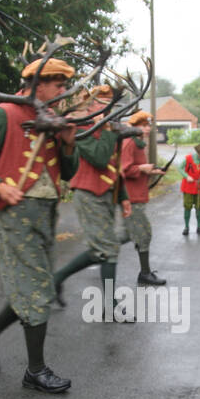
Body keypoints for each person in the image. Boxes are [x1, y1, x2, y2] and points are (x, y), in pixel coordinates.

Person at [0, 57, 80, 392]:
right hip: (15, 214)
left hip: (46, 213)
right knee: (37, 289)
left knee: (32, 287)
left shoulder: (52, 119)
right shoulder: (4, 114)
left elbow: (68, 173)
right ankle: (36, 370)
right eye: (58, 85)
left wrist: (69, 143)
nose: (63, 92)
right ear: (38, 84)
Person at [51, 85, 129, 309]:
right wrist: (108, 130)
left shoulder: (108, 128)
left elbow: (114, 165)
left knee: (101, 249)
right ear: (91, 105)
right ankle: (110, 306)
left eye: (110, 103)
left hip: (106, 194)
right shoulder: (81, 128)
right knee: (108, 248)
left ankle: (57, 278)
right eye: (103, 102)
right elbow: (100, 158)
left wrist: (123, 197)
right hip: (88, 193)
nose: (108, 107)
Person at [117, 110, 167, 285]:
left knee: (131, 234)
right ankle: (144, 273)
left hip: (138, 194)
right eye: (144, 126)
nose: (148, 129)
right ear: (134, 126)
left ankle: (101, 251)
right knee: (140, 233)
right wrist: (142, 169)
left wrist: (152, 171)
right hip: (130, 196)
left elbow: (137, 167)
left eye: (149, 126)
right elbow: (123, 169)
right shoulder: (129, 142)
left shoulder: (138, 143)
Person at [181, 142, 200, 235]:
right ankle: (186, 227)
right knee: (187, 207)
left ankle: (199, 226)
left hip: (199, 186)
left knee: (199, 206)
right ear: (197, 152)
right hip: (188, 186)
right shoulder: (188, 158)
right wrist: (186, 176)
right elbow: (179, 168)